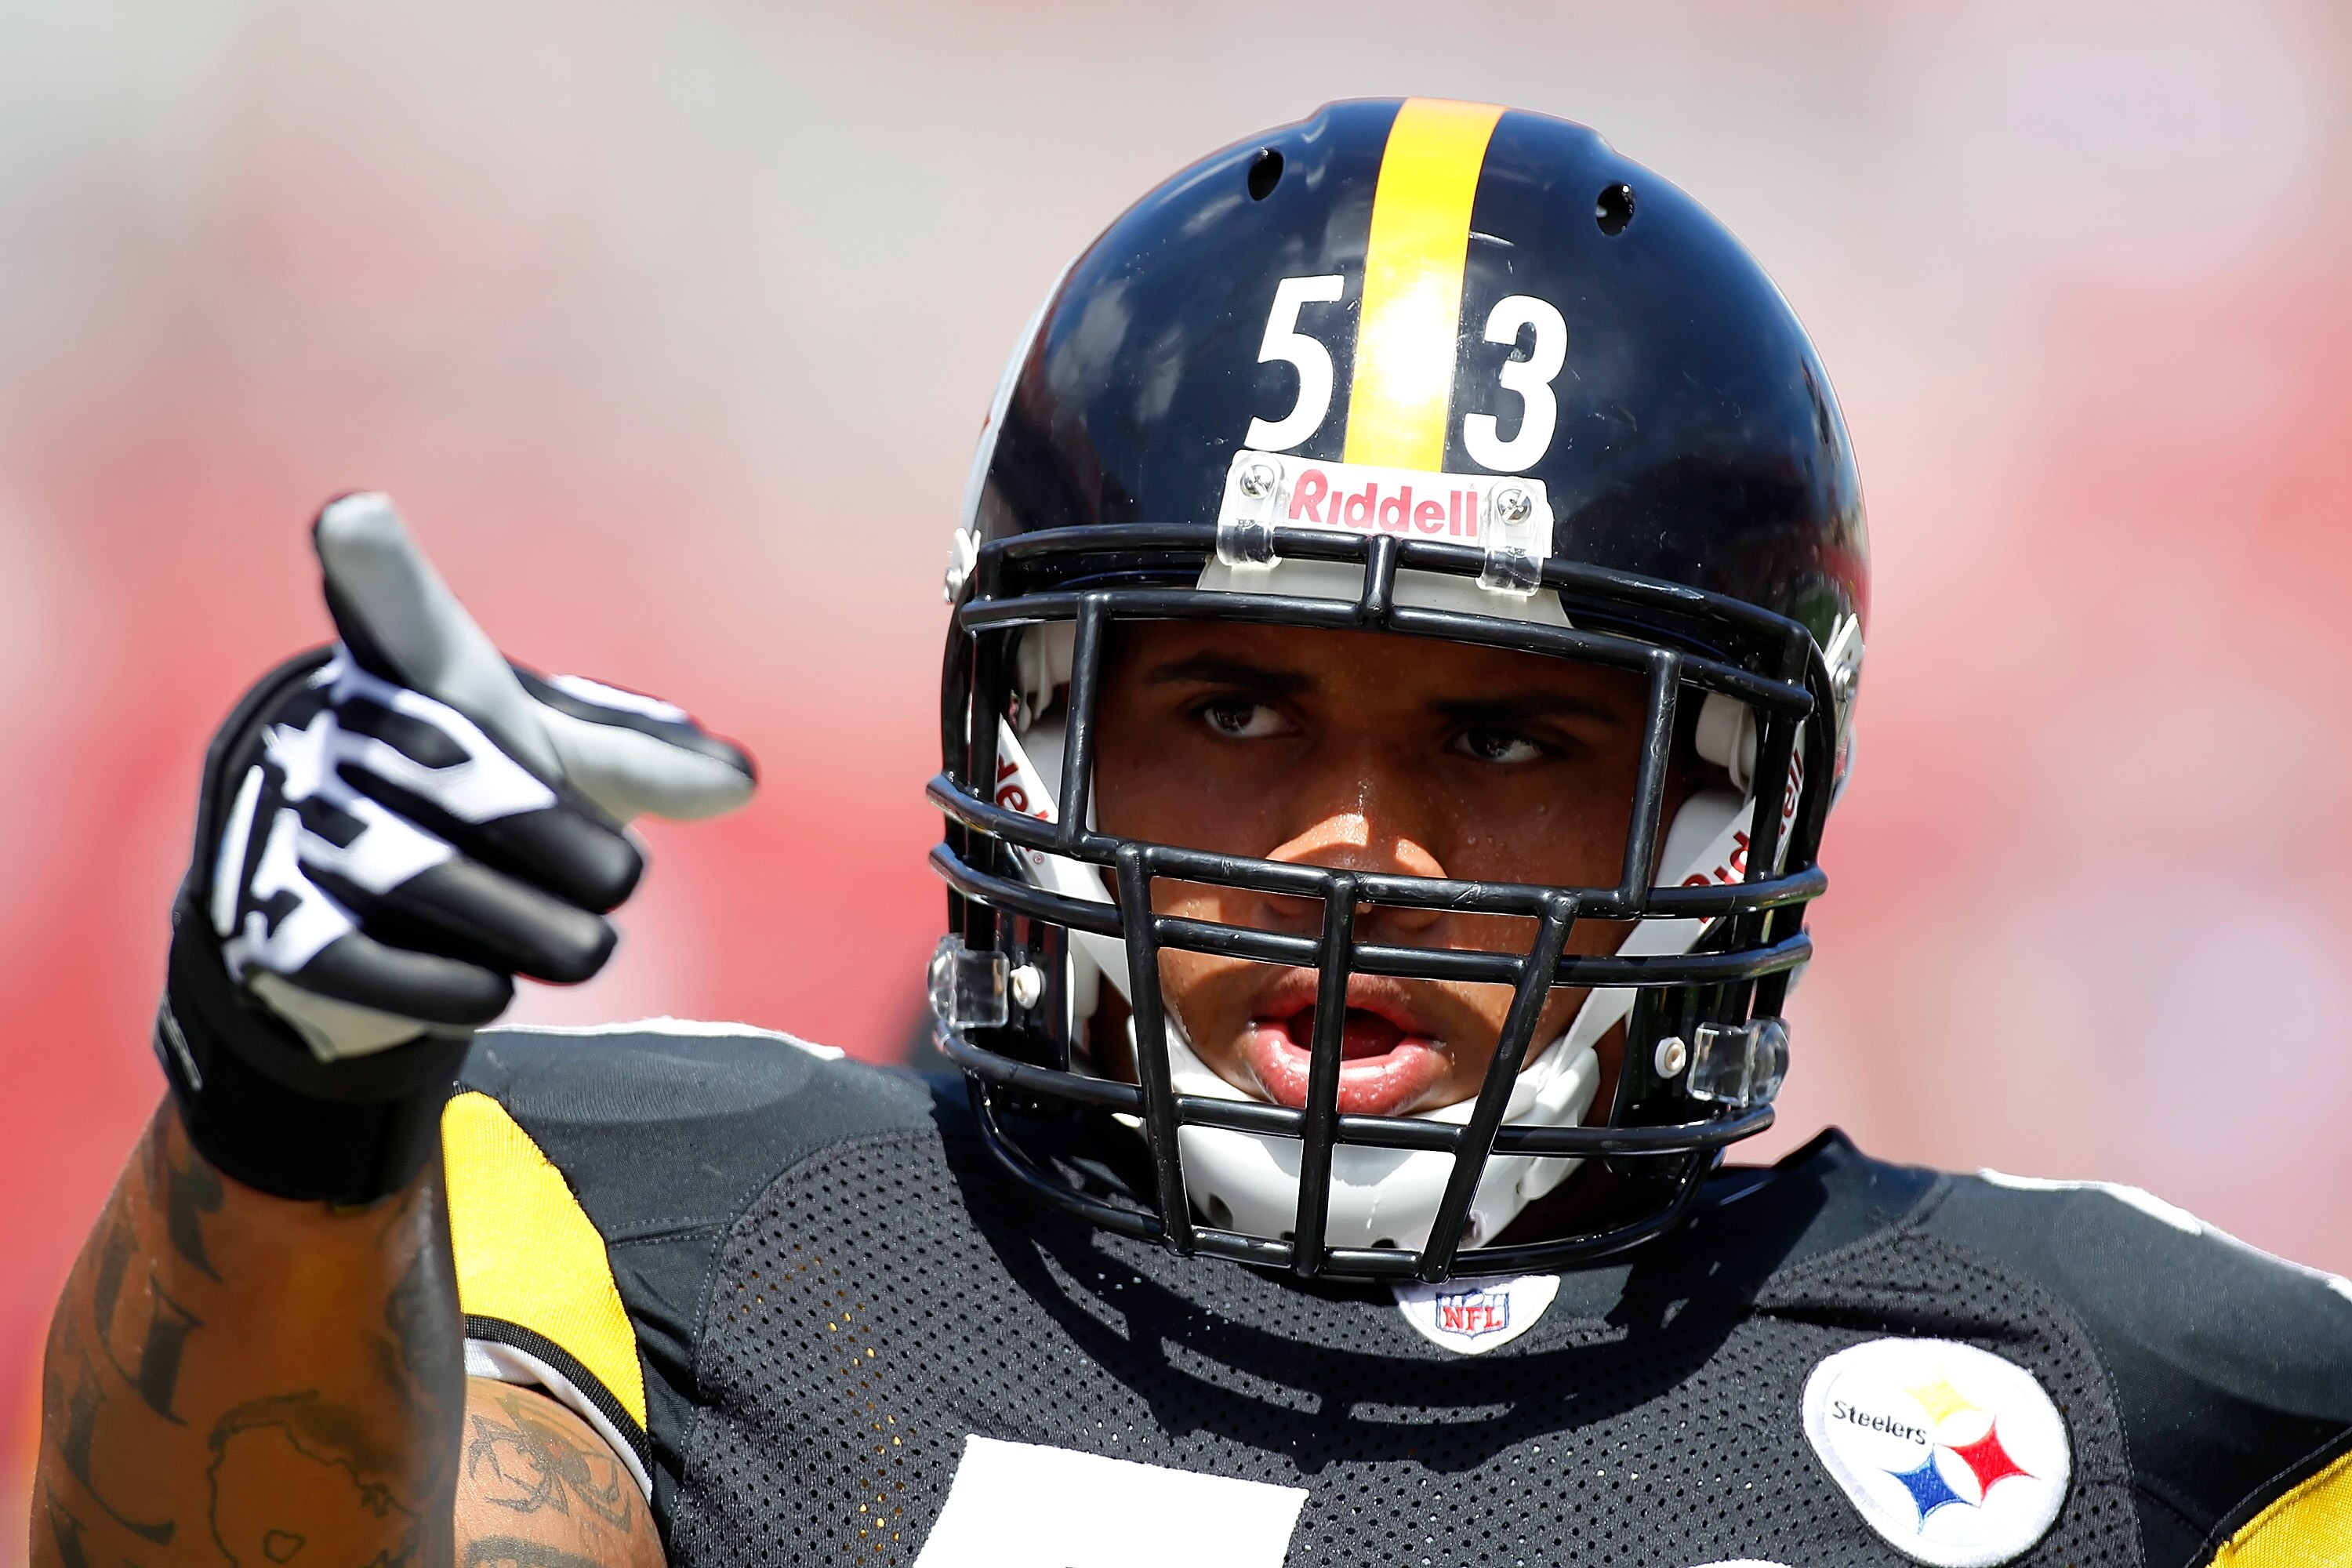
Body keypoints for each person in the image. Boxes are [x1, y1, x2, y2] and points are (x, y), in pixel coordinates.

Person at [34, 98, 2352, 1568]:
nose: (1351, 839)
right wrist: (281, 1121)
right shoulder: (658, 1226)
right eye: (1233, 707)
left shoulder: (2134, 1393)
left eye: (1510, 740)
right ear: (1038, 741)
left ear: (1731, 805)